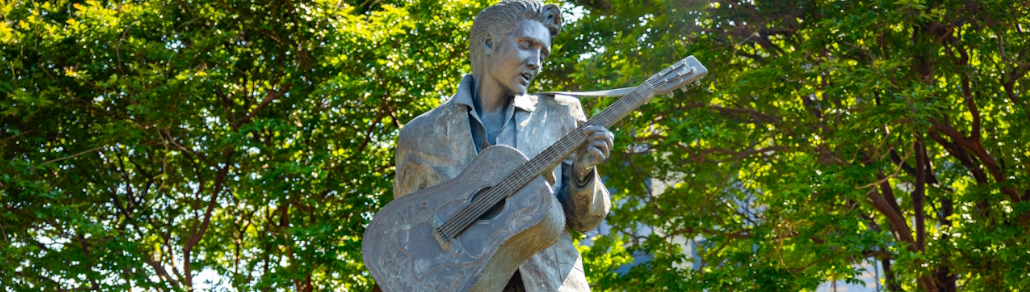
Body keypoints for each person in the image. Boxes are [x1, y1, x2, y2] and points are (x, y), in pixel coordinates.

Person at [392, 0, 613, 291]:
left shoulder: (560, 113)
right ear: (488, 42)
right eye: (526, 45)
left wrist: (582, 175)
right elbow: (406, 235)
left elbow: (584, 221)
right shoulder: (420, 133)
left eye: (543, 53)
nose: (536, 62)